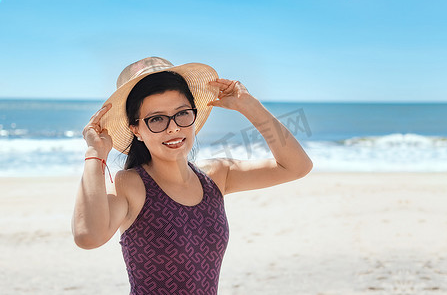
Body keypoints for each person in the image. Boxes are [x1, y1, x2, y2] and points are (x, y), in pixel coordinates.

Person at [71, 57, 313, 294]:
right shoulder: (130, 185)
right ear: (137, 130)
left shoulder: (216, 176)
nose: (174, 127)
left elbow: (297, 166)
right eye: (156, 119)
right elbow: (87, 236)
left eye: (182, 113)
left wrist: (249, 106)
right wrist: (95, 154)